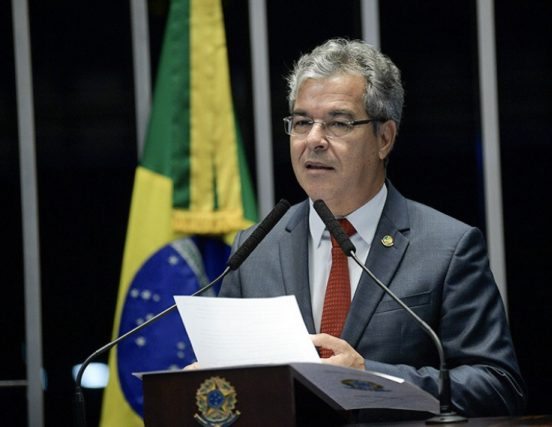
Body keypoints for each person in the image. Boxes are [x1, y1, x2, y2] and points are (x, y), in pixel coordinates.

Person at [219, 38, 526, 417]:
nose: (313, 139)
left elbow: (497, 386)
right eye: (302, 122)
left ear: (384, 138)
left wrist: (371, 377)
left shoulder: (447, 248)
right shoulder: (254, 249)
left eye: (338, 123)